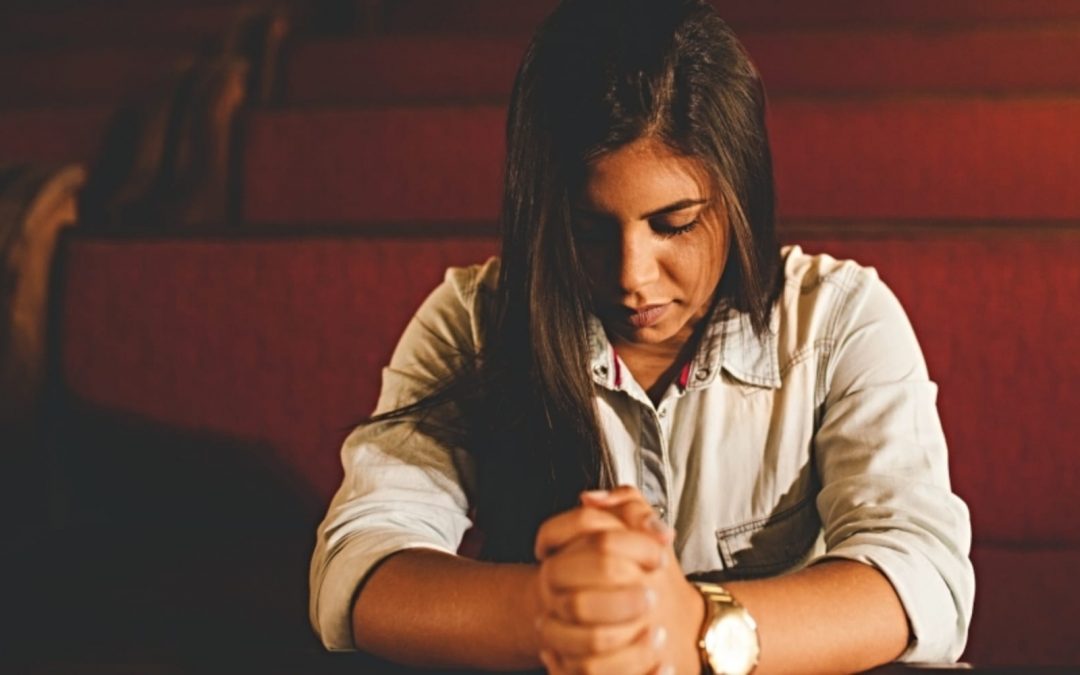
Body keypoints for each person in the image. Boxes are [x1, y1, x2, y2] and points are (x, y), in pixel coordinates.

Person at [309, 0, 974, 672]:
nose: (632, 276)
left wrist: (694, 628)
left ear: (739, 196)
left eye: (674, 223)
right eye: (589, 230)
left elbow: (923, 577)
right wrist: (552, 612)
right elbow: (359, 563)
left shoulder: (837, 320)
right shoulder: (477, 319)